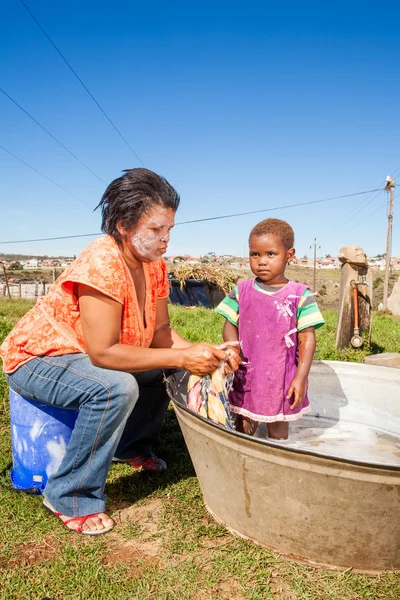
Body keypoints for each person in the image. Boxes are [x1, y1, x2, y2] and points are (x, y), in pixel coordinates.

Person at [0, 168, 240, 535]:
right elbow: (104, 354)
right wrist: (180, 357)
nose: (165, 240)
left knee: (172, 369)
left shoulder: (154, 266)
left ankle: (129, 447)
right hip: (39, 358)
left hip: (83, 357)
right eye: (157, 230)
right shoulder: (102, 263)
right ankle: (69, 495)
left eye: (170, 230)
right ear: (125, 225)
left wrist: (204, 353)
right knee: (115, 387)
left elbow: (160, 334)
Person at [216, 218, 325, 440]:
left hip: (282, 378)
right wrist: (233, 350)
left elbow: (307, 338)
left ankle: (275, 460)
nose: (261, 261)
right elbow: (230, 325)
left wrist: (300, 378)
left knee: (278, 427)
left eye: (270, 254)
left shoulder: (300, 296)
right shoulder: (241, 291)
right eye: (255, 254)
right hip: (247, 374)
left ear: (289, 254)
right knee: (243, 422)